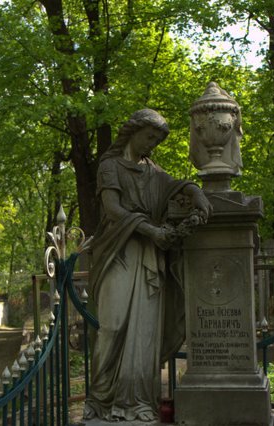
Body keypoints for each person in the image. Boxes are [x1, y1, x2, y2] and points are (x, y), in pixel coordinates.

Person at [84, 109, 212, 422]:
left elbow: (176, 185)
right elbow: (113, 210)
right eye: (149, 136)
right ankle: (100, 399)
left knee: (145, 334)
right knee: (111, 325)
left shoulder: (153, 171)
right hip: (119, 249)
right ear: (133, 131)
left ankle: (137, 402)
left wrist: (196, 191)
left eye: (156, 140)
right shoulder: (110, 166)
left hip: (148, 256)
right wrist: (151, 230)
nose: (151, 144)